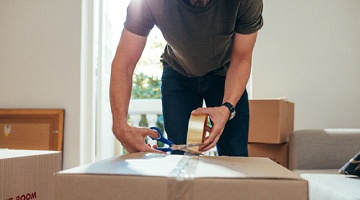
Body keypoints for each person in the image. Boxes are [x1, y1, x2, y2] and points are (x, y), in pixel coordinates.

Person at [110, 0, 263, 156]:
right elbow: (124, 63)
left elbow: (241, 59)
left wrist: (227, 108)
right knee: (180, 156)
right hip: (178, 73)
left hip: (226, 74)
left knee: (235, 153)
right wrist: (120, 126)